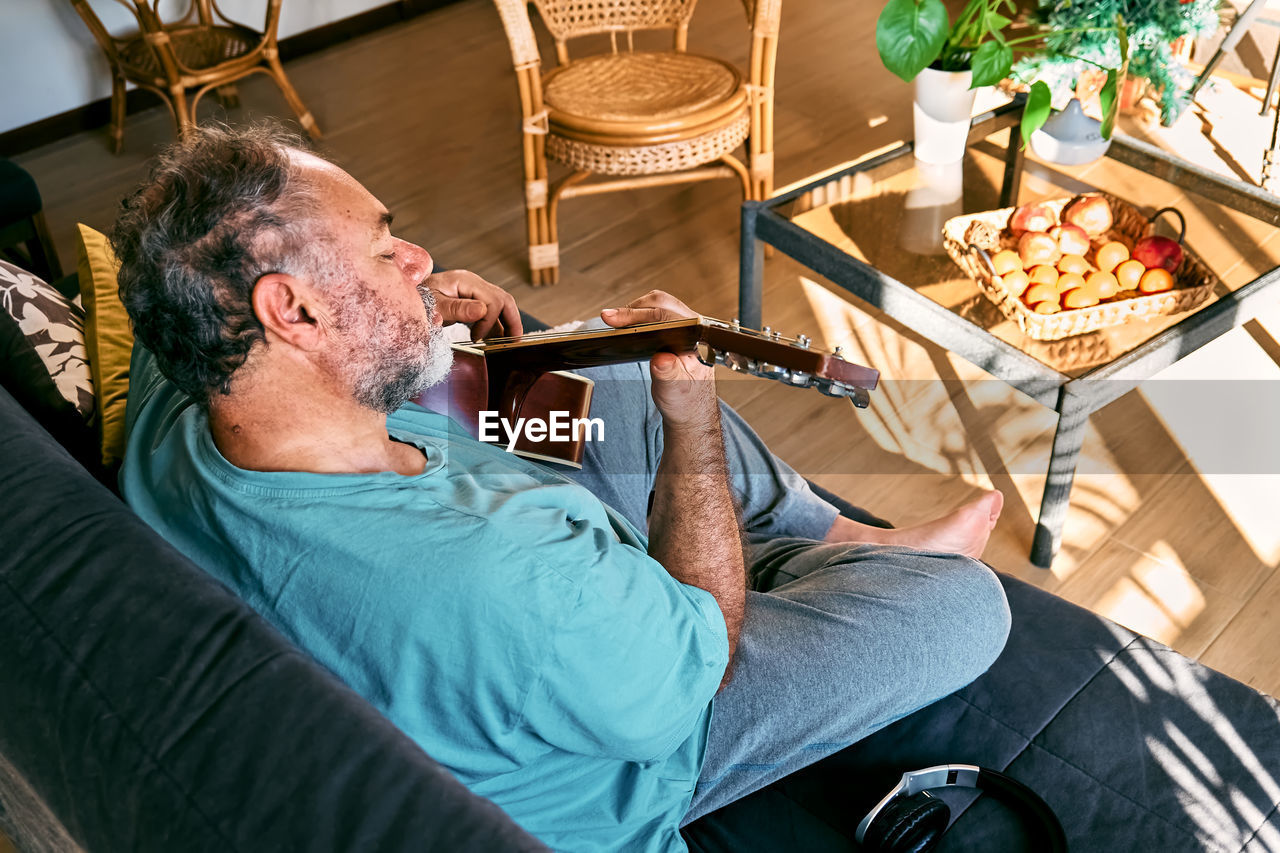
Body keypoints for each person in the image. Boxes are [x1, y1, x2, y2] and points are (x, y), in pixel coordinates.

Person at [114, 124, 1011, 852]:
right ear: (293, 311)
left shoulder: (182, 373)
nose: (421, 260)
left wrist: (416, 331)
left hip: (531, 620)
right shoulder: (512, 572)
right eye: (388, 252)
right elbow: (702, 661)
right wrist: (692, 422)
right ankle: (828, 556)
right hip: (626, 723)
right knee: (966, 604)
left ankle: (836, 536)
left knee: (598, 361)